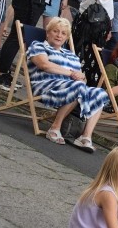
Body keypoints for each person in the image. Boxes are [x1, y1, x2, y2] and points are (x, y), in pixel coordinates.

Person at [28, 18, 108, 152]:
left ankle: (85, 136)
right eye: (56, 31)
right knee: (78, 87)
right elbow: (44, 65)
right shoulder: (38, 46)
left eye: (63, 33)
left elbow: (80, 77)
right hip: (46, 86)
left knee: (100, 93)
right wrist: (71, 74)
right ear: (48, 33)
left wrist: (81, 76)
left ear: (67, 37)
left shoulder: (71, 55)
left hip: (71, 88)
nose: (59, 35)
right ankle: (54, 128)